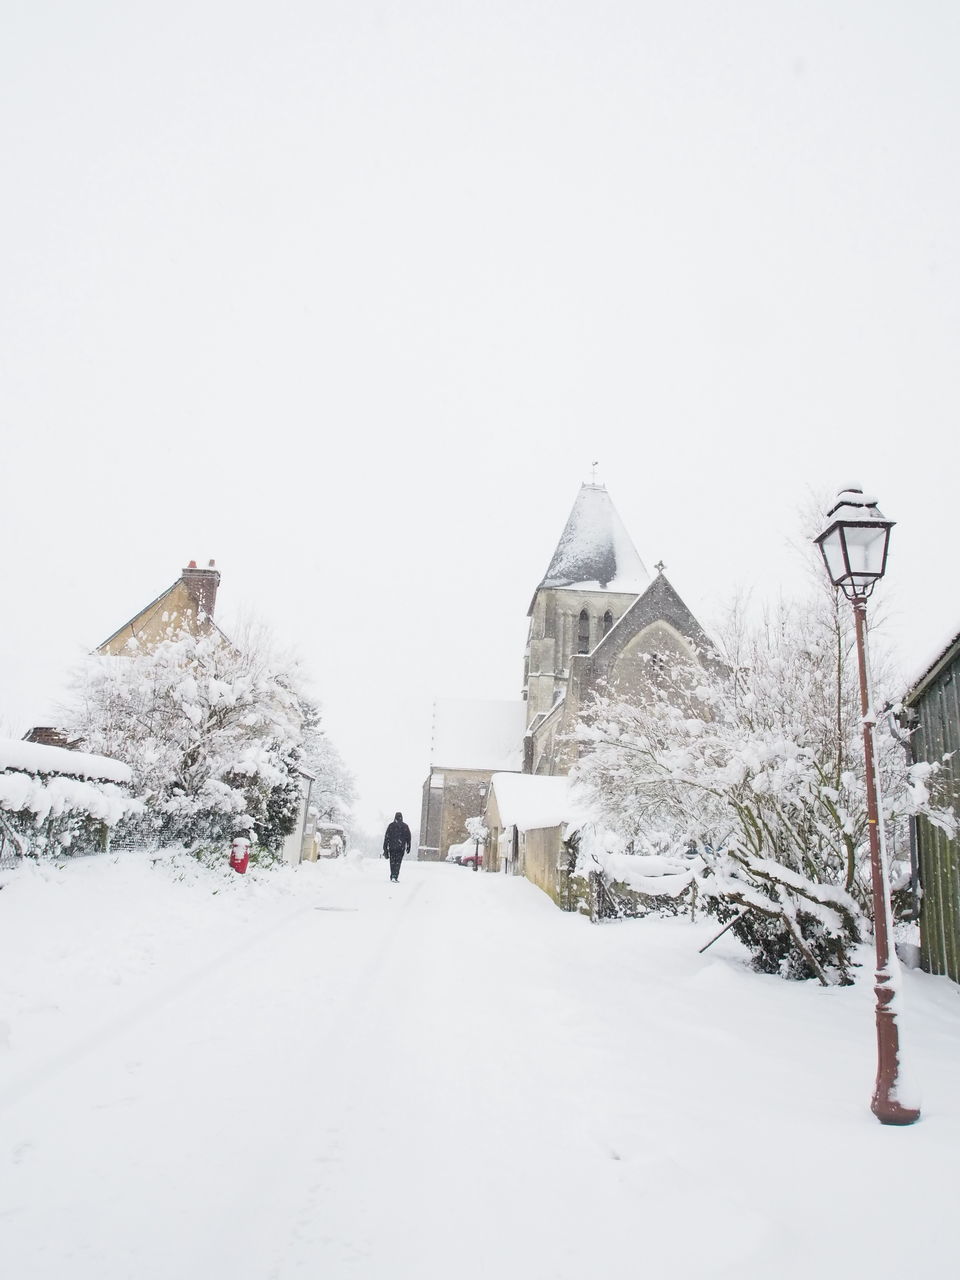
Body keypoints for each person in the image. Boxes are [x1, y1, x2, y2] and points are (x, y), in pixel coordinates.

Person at [382, 811, 411, 882]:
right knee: (398, 862)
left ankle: (393, 875)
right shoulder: (405, 826)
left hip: (392, 848)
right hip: (400, 848)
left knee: (392, 862)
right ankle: (395, 876)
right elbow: (408, 838)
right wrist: (408, 847)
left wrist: (385, 849)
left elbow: (386, 838)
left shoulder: (391, 826)